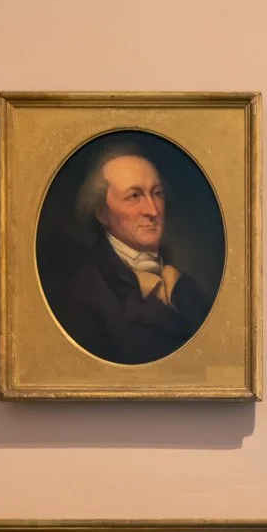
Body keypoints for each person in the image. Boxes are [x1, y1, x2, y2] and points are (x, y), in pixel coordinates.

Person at [44, 138, 213, 364]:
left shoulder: (183, 285)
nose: (152, 211)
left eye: (157, 193)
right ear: (102, 212)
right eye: (134, 196)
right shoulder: (80, 297)